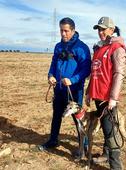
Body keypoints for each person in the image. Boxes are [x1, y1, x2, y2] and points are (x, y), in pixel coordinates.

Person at [38, 17, 91, 152]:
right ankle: (53, 140)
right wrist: (50, 76)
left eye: (66, 31)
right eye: (61, 31)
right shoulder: (58, 46)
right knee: (56, 115)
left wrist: (72, 80)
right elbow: (54, 63)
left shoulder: (82, 48)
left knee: (78, 119)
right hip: (59, 89)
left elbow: (86, 69)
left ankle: (83, 145)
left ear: (73, 30)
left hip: (74, 90)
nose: (63, 34)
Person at [86, 16, 126, 170]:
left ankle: (116, 166)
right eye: (99, 29)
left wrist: (113, 98)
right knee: (105, 126)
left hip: (108, 99)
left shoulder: (117, 48)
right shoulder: (98, 49)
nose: (100, 32)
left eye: (103, 29)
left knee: (111, 132)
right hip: (98, 97)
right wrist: (89, 92)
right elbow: (94, 72)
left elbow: (118, 74)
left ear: (112, 29)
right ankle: (105, 154)